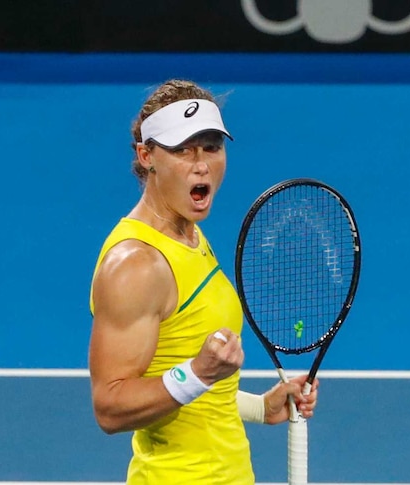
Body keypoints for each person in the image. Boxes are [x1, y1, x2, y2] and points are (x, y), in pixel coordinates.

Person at [87, 79, 320, 484]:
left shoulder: (187, 233)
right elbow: (110, 407)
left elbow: (198, 394)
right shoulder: (137, 264)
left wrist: (259, 408)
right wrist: (198, 374)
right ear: (147, 156)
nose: (201, 164)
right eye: (181, 149)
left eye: (211, 146)